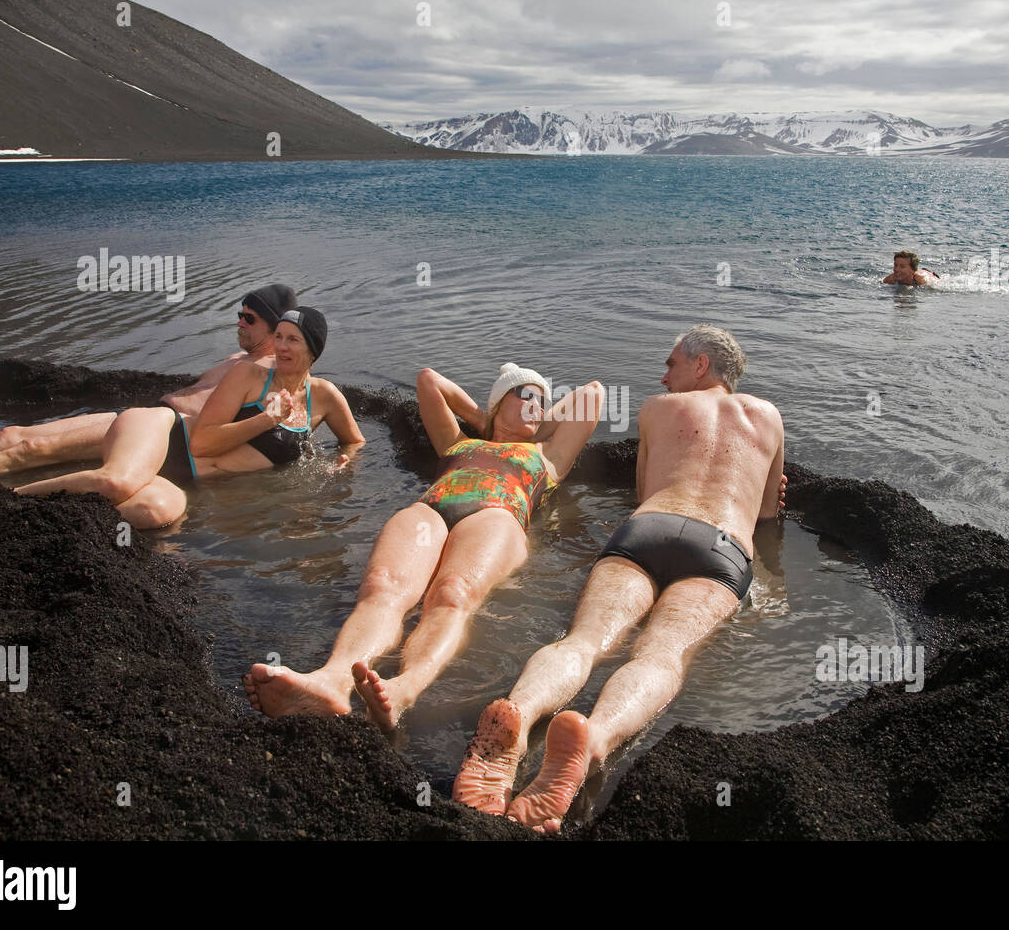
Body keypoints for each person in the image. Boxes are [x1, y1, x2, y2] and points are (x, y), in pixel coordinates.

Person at [452, 325, 786, 832]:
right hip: (720, 547)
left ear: (701, 366)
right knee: (661, 654)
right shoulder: (770, 418)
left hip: (649, 528)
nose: (663, 375)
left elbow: (645, 490)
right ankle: (595, 739)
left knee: (583, 641)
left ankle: (518, 714)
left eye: (672, 364)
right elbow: (765, 514)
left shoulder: (656, 408)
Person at [243, 363, 606, 727]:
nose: (535, 405)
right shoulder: (457, 442)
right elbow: (428, 380)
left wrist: (538, 419)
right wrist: (482, 418)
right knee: (382, 587)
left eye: (542, 402)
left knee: (452, 594)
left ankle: (403, 689)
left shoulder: (548, 455)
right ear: (498, 404)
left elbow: (593, 392)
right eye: (524, 395)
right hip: (431, 509)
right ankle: (331, 681)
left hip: (497, 514)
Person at [8, 307, 363, 528]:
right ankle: (3, 499)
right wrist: (266, 421)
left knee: (155, 514)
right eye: (279, 337)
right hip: (165, 434)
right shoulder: (252, 374)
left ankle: (30, 520)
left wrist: (341, 464)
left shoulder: (325, 396)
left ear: (314, 350)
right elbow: (201, 442)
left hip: (184, 480)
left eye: (294, 341)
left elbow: (355, 441)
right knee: (114, 483)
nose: (282, 347)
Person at [0, 284, 299, 484]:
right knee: (13, 435)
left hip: (165, 434)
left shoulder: (269, 370)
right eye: (239, 315)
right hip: (144, 418)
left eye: (249, 318)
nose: (239, 323)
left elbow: (296, 412)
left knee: (30, 448)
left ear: (276, 327)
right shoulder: (241, 360)